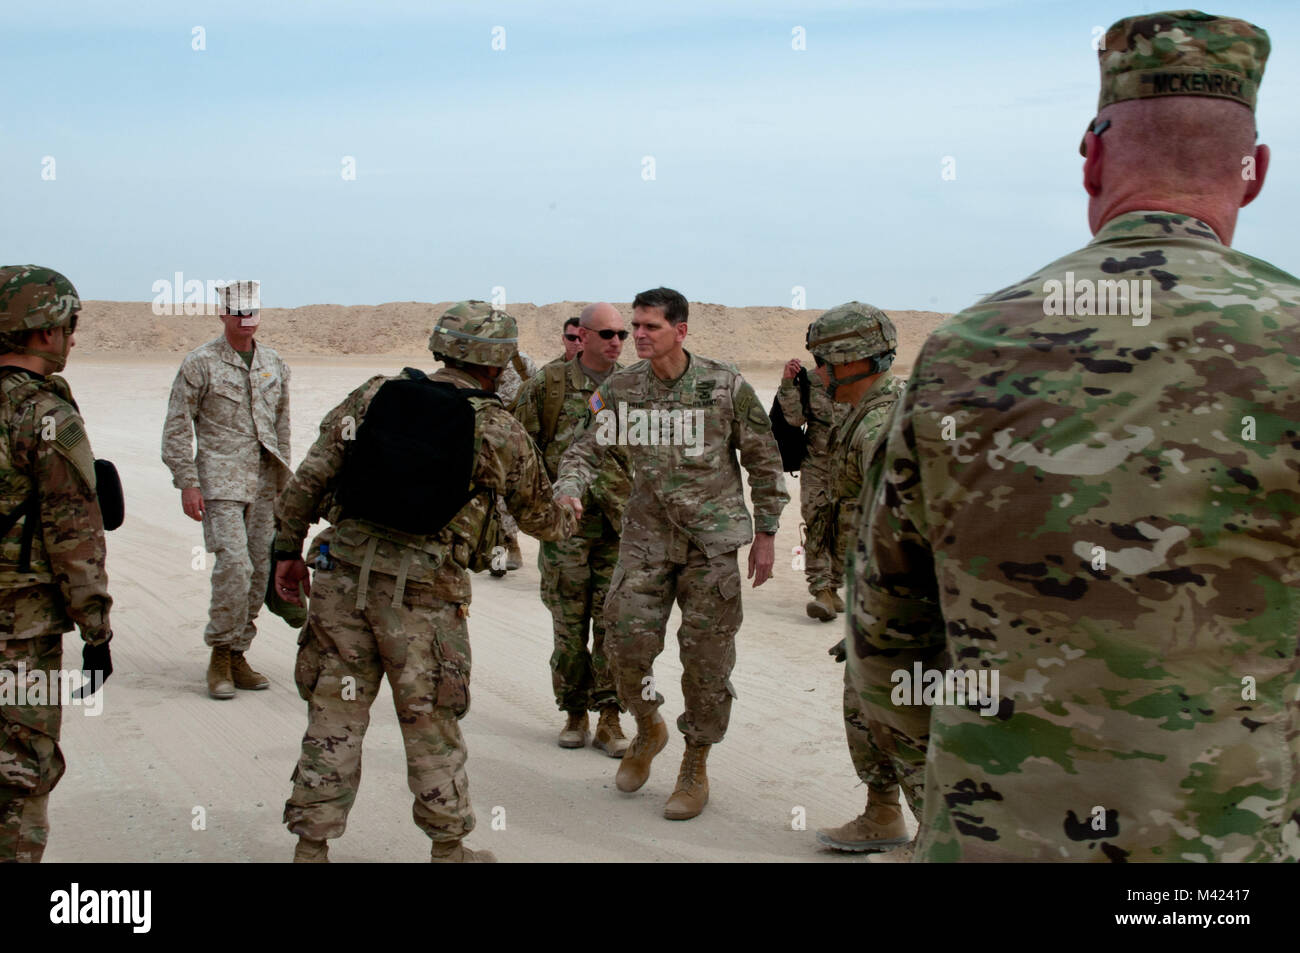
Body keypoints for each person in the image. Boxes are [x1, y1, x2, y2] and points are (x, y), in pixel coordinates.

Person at [850, 10, 1299, 861]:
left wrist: (960, 790)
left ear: (1091, 157)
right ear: (1256, 174)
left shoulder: (962, 351)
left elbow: (887, 638)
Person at [273, 301, 576, 863]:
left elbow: (309, 479)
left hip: (342, 583)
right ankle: (448, 849)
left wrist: (285, 551)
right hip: (424, 600)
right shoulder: (498, 427)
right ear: (498, 363)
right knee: (430, 724)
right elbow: (543, 520)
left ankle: (310, 849)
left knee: (333, 717)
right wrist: (573, 503)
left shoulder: (373, 395)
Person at [554, 286, 789, 820]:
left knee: (706, 663)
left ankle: (695, 764)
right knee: (624, 644)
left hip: (711, 545)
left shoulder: (724, 384)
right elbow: (586, 448)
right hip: (646, 543)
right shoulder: (623, 387)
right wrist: (570, 485)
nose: (637, 335)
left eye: (649, 327)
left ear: (680, 331)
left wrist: (768, 532)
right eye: (633, 325)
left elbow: (764, 459)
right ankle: (647, 726)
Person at [0, 265, 113, 862]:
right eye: (70, 324)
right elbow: (74, 537)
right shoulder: (45, 417)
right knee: (22, 773)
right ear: (44, 331)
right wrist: (97, 629)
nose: (73, 336)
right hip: (21, 633)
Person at [794, 303, 913, 854]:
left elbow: (905, 530)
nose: (819, 375)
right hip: (878, 598)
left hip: (899, 607)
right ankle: (883, 814)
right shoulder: (869, 413)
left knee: (904, 720)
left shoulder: (882, 427)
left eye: (826, 363)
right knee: (865, 709)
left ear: (854, 360)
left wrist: (884, 615)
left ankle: (937, 834)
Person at [161, 280, 291, 699]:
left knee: (258, 572)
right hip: (220, 483)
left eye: (252, 311)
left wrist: (286, 489)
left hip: (266, 484)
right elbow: (178, 425)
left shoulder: (275, 363)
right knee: (234, 566)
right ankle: (219, 653)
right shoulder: (200, 363)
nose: (245, 319)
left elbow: (282, 429)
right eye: (238, 312)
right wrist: (187, 482)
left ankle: (239, 652)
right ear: (223, 314)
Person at [513, 303, 632, 755]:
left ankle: (610, 717)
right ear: (582, 336)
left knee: (612, 625)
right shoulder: (549, 384)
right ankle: (574, 712)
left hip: (620, 526)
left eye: (621, 333)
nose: (616, 341)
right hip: (566, 527)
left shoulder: (635, 387)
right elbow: (521, 449)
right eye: (607, 333)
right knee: (568, 626)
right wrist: (537, 508)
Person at [775, 353, 849, 620]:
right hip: (816, 465)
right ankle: (821, 592)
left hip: (851, 466)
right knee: (817, 523)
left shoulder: (858, 380)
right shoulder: (807, 381)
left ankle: (833, 586)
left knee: (845, 529)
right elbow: (794, 419)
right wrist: (787, 383)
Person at [492, 346, 538, 575]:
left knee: (513, 498)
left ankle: (512, 543)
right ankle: (499, 556)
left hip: (517, 439)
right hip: (489, 439)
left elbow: (538, 392)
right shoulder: (482, 363)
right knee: (493, 499)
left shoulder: (522, 362)